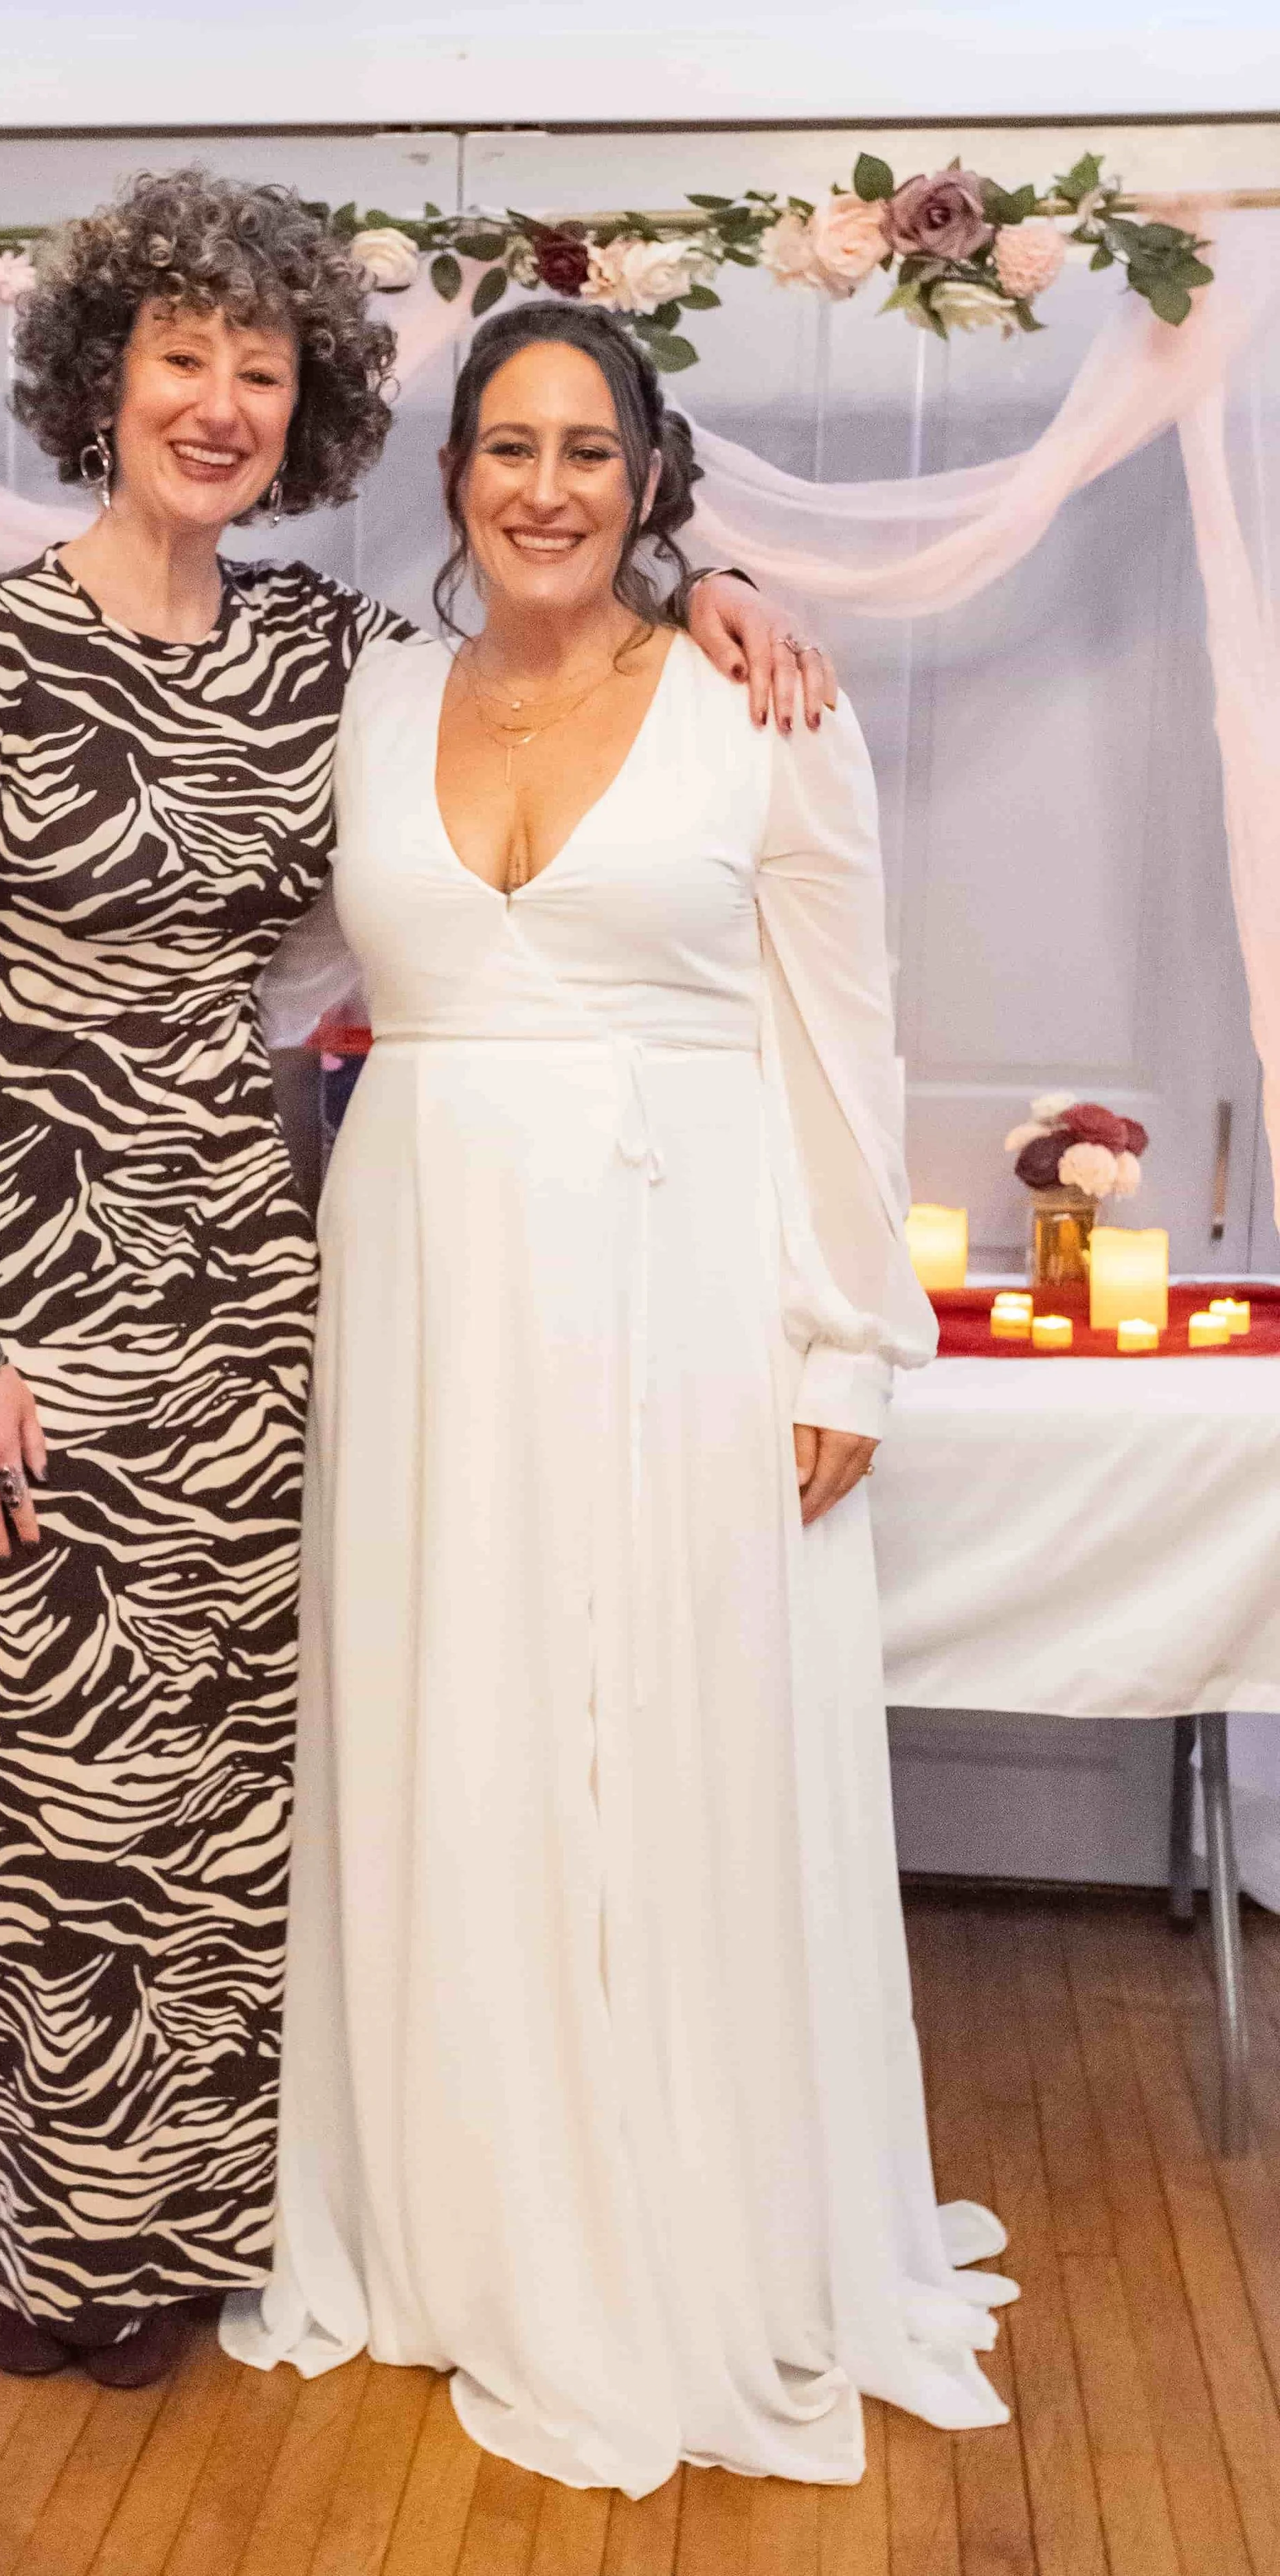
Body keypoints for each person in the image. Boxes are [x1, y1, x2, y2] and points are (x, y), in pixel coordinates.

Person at [0, 168, 815, 2390]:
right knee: (57, 1792)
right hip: (30, 1303)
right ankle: (58, 2241)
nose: (215, 402)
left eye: (259, 371)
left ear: (304, 410)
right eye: (179, 359)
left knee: (233, 1795)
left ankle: (203, 2231)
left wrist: (718, 579)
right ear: (99, 379)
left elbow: (545, 639)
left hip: (263, 1293)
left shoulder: (322, 653)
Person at [223, 301, 1018, 2491]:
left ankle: (681, 2223)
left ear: (653, 480)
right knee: (448, 1723)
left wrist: (842, 1329)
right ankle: (459, 2221)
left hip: (677, 1282)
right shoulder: (370, 703)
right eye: (504, 445)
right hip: (417, 1285)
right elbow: (271, 969)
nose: (543, 485)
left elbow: (841, 1037)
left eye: (588, 447)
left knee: (660, 1736)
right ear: (456, 476)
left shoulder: (758, 705)